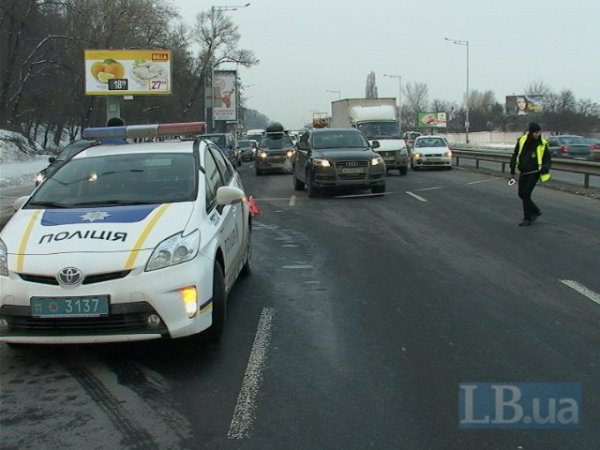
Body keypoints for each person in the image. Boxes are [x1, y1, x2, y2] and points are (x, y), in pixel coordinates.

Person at [509, 122, 552, 226]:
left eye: (539, 132)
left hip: (535, 172)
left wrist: (545, 167)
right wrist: (512, 168)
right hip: (523, 172)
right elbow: (515, 154)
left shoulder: (542, 143)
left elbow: (547, 158)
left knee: (526, 193)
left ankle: (527, 218)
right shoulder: (522, 140)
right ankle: (536, 211)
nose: (538, 134)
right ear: (531, 132)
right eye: (536, 133)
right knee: (521, 194)